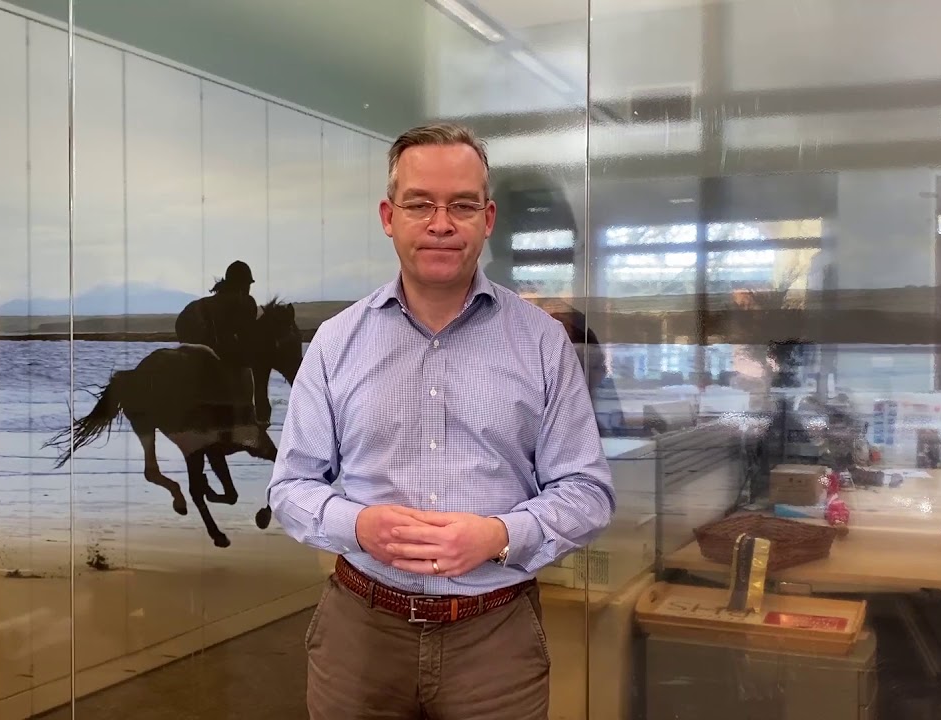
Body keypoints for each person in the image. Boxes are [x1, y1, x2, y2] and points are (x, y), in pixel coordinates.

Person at [266, 123, 616, 719]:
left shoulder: (542, 342)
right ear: (389, 216)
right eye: (420, 204)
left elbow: (587, 492)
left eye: (462, 205)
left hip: (495, 640)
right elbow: (290, 487)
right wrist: (358, 525)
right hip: (359, 634)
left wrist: (499, 536)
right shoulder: (335, 342)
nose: (441, 223)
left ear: (488, 218)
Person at [174, 259, 262, 445]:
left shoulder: (226, 302)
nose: (248, 289)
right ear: (241, 286)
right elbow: (242, 336)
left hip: (194, 336)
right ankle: (244, 417)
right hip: (202, 337)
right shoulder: (241, 303)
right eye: (247, 285)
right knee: (241, 369)